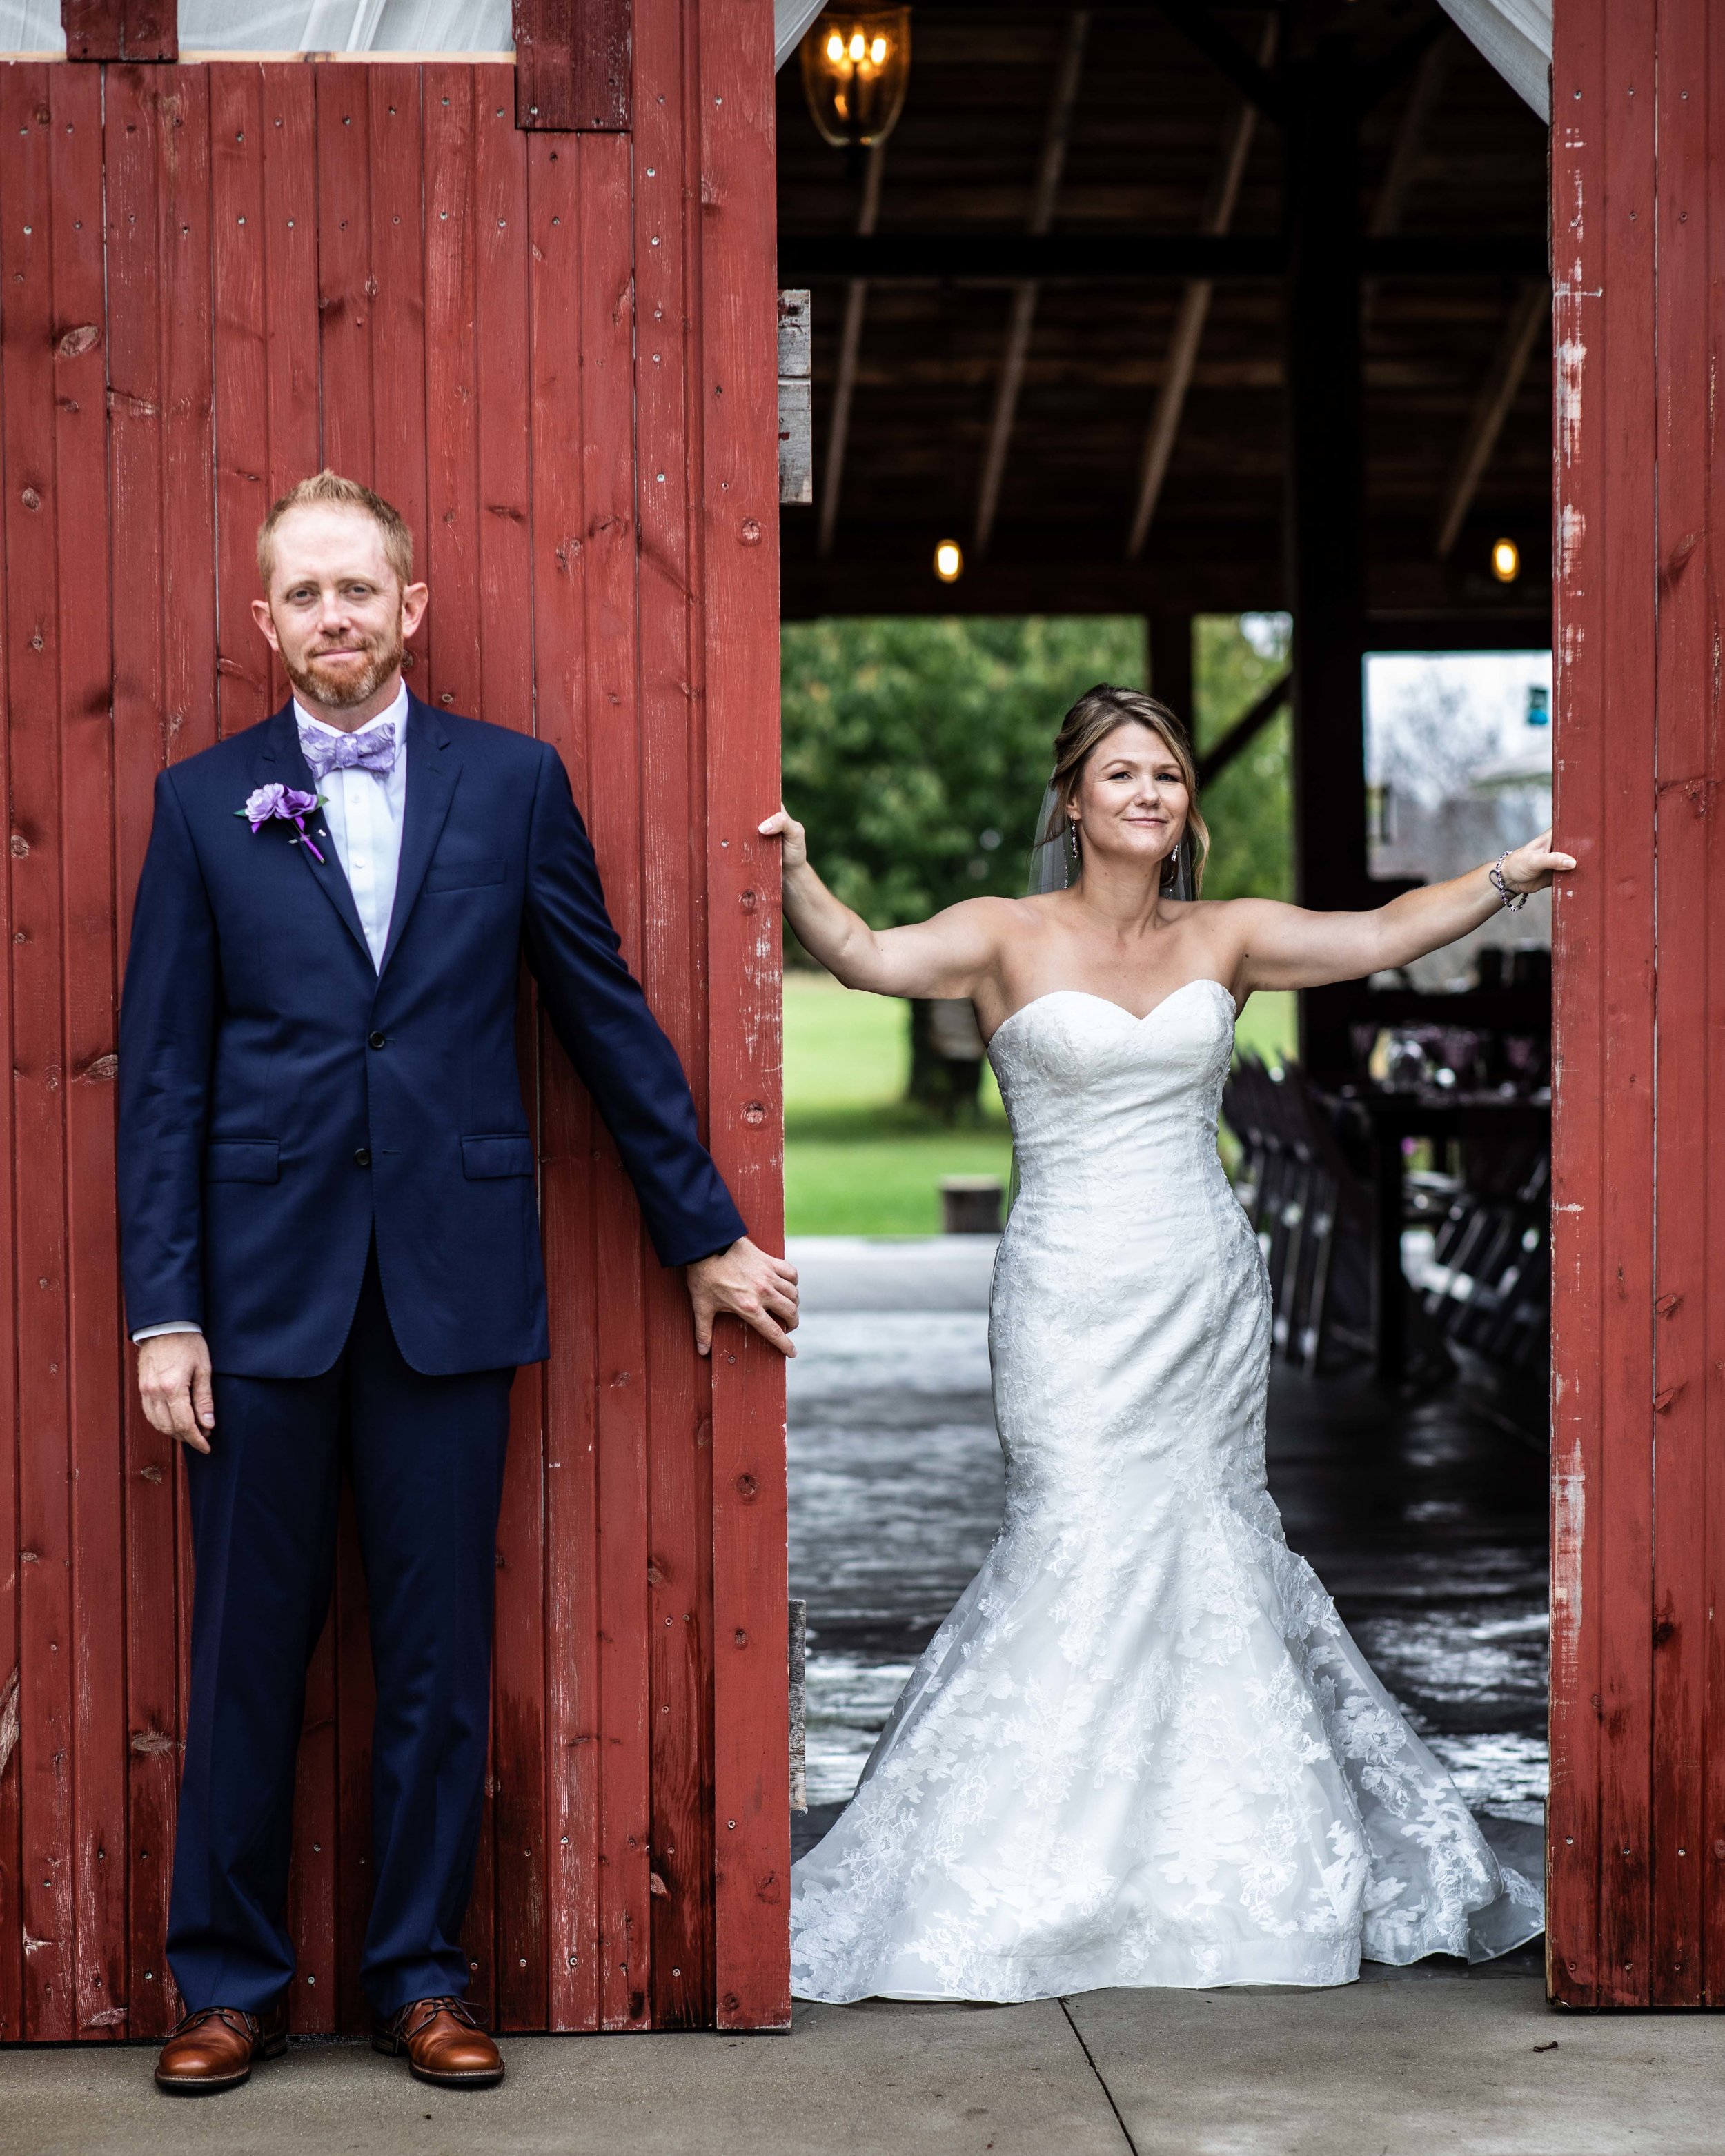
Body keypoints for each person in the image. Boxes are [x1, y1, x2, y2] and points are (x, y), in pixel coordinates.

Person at [119, 471, 798, 2095]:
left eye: (360, 591)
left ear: (410, 609)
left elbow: (601, 1014)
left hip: (449, 1278)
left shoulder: (511, 786)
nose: (334, 619)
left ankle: (420, 1974)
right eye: (305, 595)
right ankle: (228, 1984)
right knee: (242, 1656)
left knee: (434, 1658)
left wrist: (697, 1230)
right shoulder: (203, 803)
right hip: (259, 1297)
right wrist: (164, 1307)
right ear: (267, 617)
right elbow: (163, 1082)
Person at [767, 682, 1569, 2004]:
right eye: (1124, 775)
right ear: (1073, 799)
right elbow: (861, 952)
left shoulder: (1229, 934)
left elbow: (1373, 935)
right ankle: (1032, 1867)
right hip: (1067, 1296)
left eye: (1169, 778)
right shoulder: (1001, 935)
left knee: (1208, 1537)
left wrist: (1503, 877)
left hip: (1200, 1285)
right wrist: (797, 870)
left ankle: (1229, 1860)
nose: (1150, 795)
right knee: (1076, 1532)